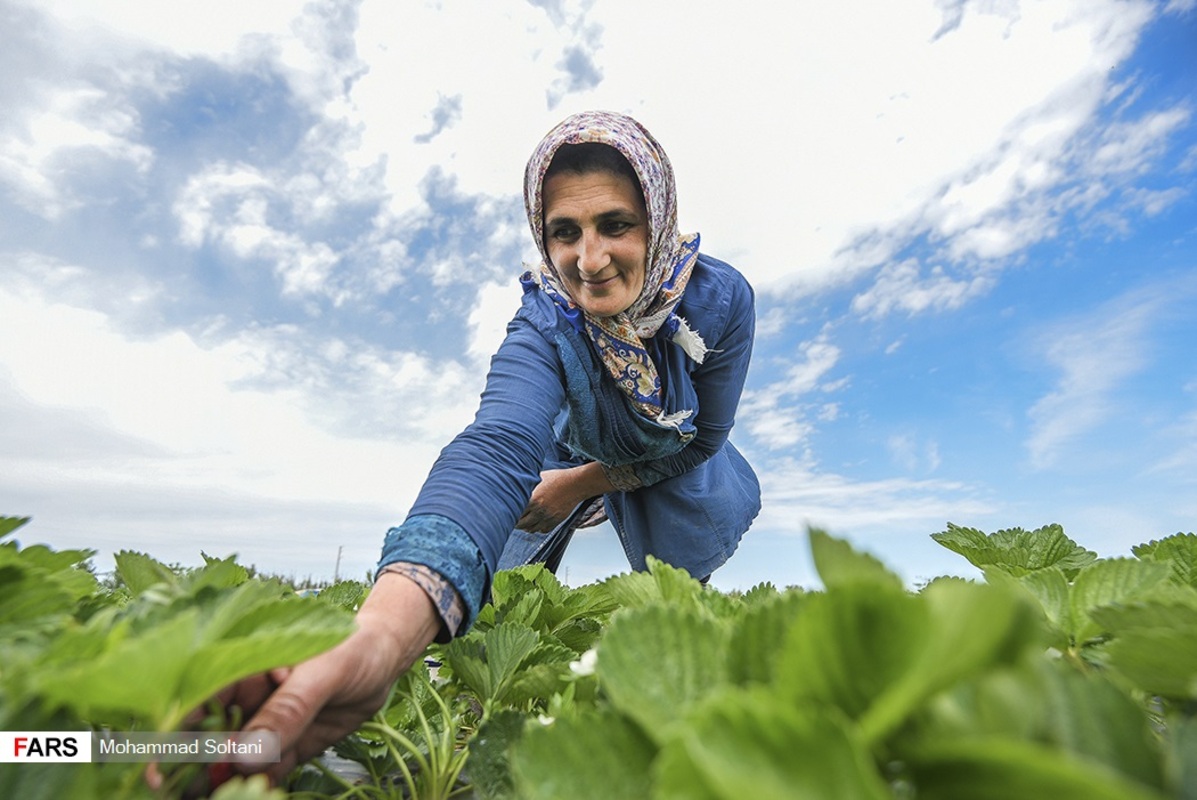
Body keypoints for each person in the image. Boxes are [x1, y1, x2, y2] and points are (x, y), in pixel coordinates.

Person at [227, 110, 760, 784]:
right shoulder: (545, 317)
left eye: (615, 225)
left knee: (677, 585)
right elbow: (496, 446)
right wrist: (380, 639)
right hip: (569, 447)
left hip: (676, 455)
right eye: (564, 233)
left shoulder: (719, 299)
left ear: (655, 218)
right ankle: (454, 695)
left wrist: (580, 486)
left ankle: (685, 713)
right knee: (502, 574)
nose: (588, 262)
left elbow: (705, 437)